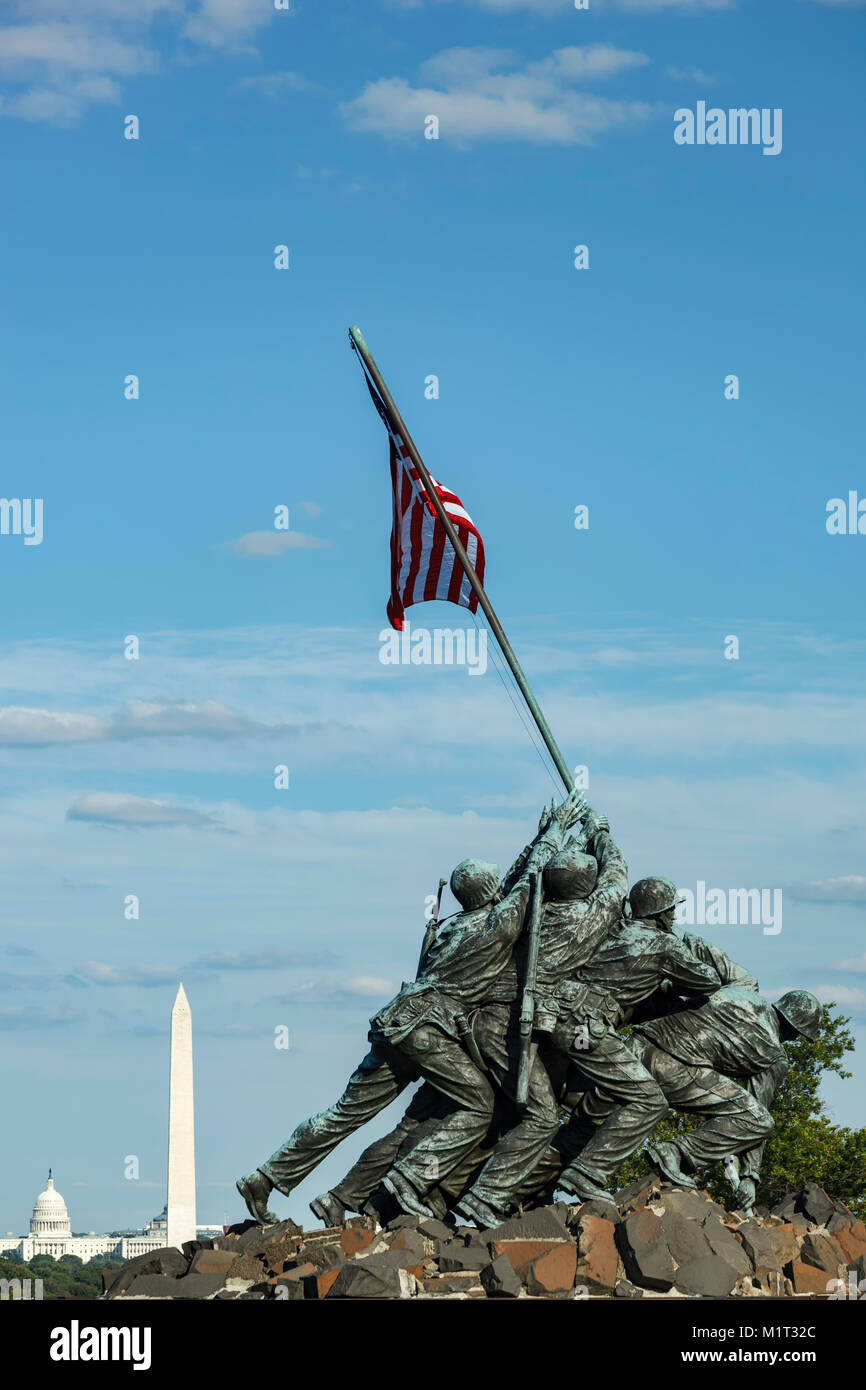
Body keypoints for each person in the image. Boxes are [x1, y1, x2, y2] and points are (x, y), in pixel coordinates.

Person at [235, 789, 583, 1224]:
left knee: (345, 1113)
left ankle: (267, 1176)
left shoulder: (453, 929)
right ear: (492, 893)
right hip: (428, 1029)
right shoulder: (498, 926)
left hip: (395, 1020)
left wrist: (541, 838)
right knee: (479, 1106)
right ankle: (409, 1182)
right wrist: (554, 832)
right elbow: (529, 883)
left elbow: (515, 881)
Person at [453, 805, 628, 1227]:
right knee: (542, 1117)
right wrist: (600, 833)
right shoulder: (591, 917)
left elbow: (521, 880)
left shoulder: (527, 911)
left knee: (511, 1109)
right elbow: (618, 876)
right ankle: (485, 1197)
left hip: (483, 1020)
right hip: (508, 1025)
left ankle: (475, 1192)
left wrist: (554, 835)